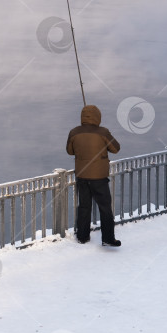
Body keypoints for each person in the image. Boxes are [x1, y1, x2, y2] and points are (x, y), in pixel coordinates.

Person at [66, 104, 122, 246]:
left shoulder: (74, 132)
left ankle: (83, 237)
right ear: (98, 117)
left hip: (82, 176)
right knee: (105, 208)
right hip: (99, 178)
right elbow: (116, 148)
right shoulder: (103, 132)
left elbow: (69, 151)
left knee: (84, 207)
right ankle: (108, 238)